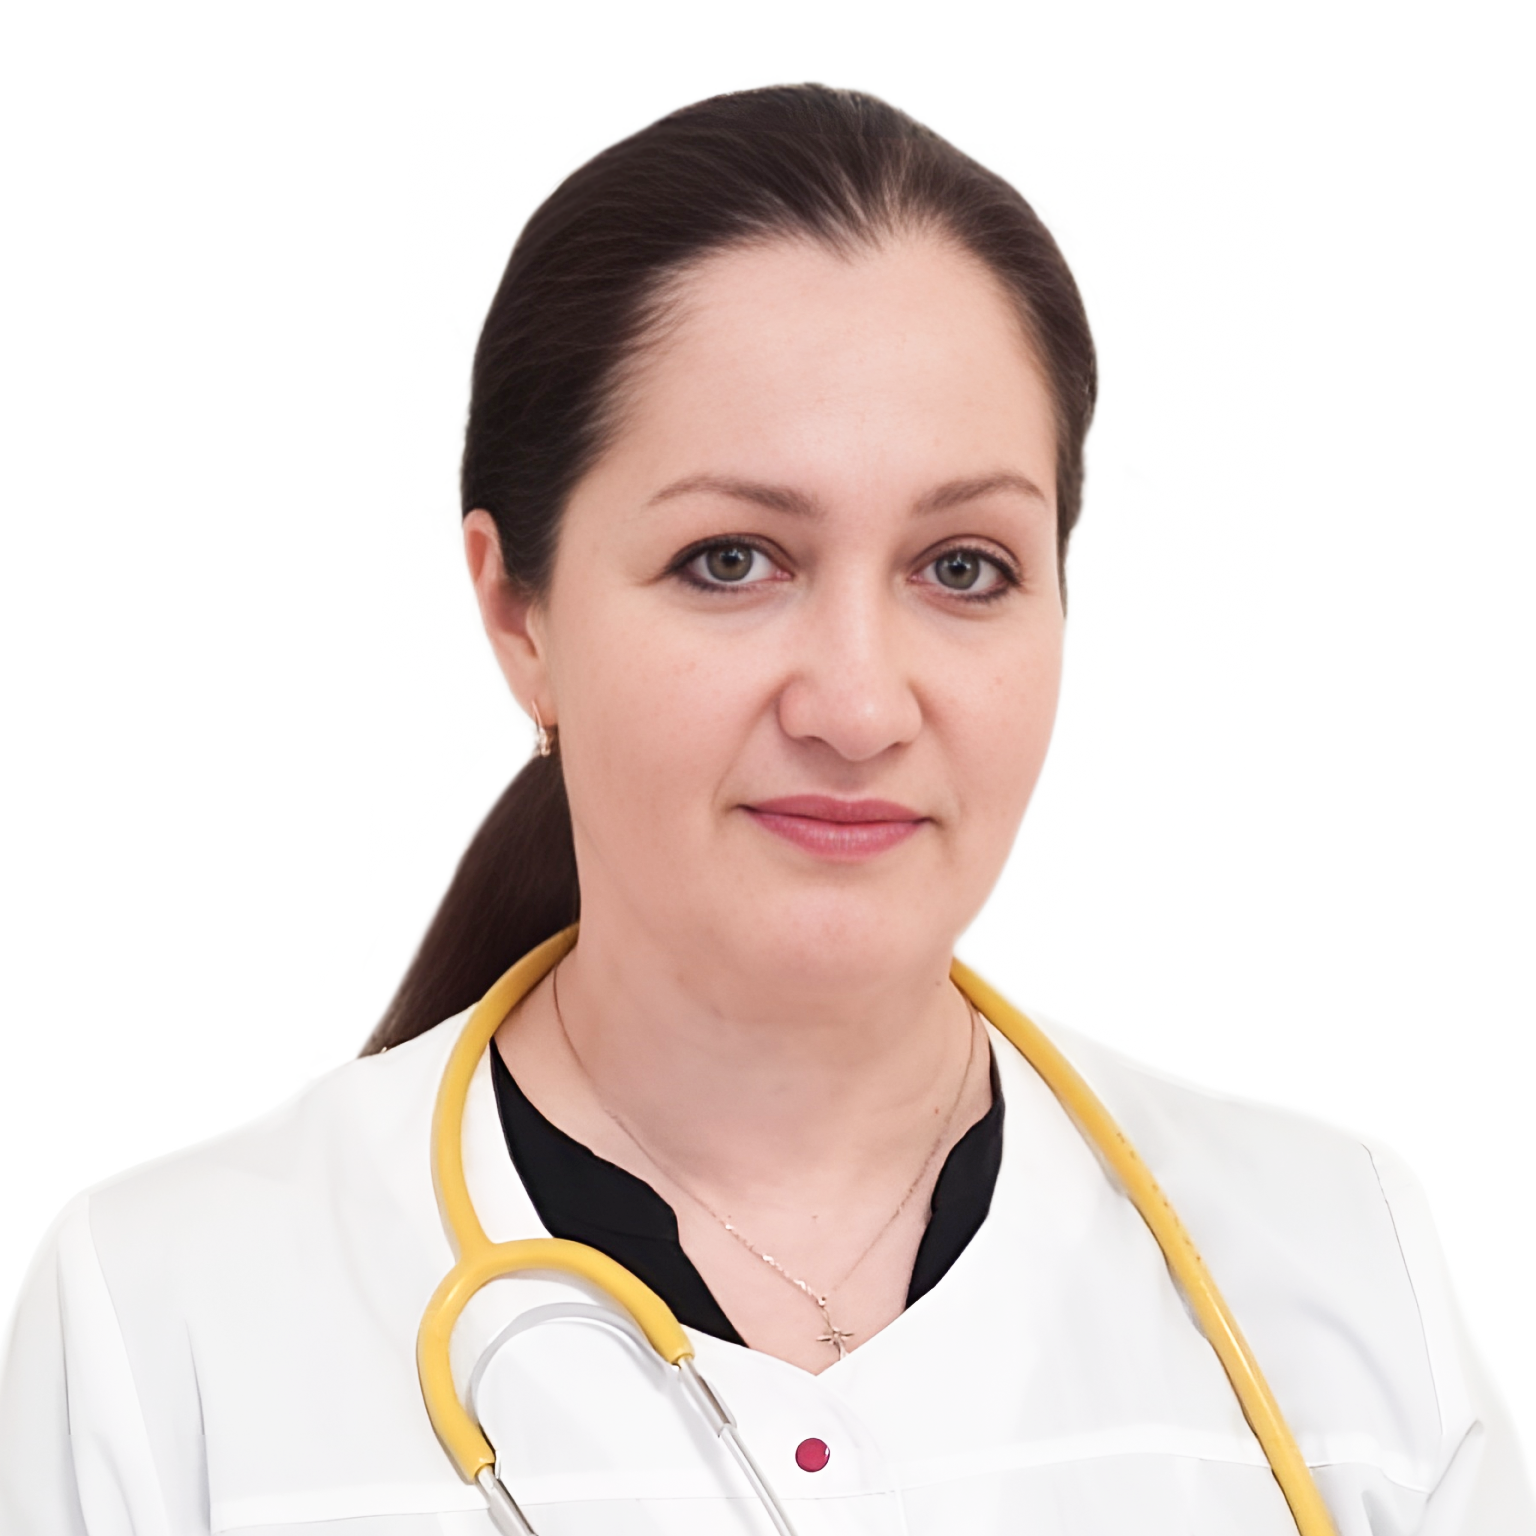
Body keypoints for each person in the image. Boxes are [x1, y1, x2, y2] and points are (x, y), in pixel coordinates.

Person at [0, 83, 1528, 1536]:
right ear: (519, 613)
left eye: (964, 567)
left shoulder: (1339, 1284)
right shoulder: (166, 1329)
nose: (858, 707)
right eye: (731, 560)